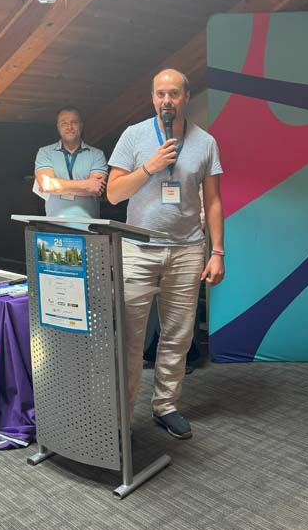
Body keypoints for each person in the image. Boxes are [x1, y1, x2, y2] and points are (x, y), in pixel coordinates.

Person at [107, 68, 225, 439]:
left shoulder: (206, 142)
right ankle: (122, 418)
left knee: (178, 336)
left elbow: (214, 200)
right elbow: (113, 193)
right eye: (160, 94)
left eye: (174, 93)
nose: (167, 100)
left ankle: (165, 406)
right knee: (129, 338)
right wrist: (149, 167)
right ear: (153, 98)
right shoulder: (134, 136)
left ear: (186, 97)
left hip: (187, 251)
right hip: (138, 251)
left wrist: (217, 251)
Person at [34, 107, 108, 218]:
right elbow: (47, 185)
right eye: (64, 123)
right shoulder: (45, 152)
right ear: (58, 127)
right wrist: (86, 184)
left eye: (74, 122)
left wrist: (57, 186)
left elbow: (95, 189)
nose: (69, 127)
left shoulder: (97, 154)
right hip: (54, 223)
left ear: (81, 125)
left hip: (89, 224)